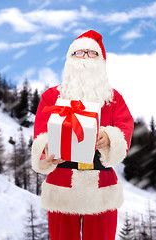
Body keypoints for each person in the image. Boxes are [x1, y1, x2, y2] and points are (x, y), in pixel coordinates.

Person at [31, 30, 134, 240]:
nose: (85, 58)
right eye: (79, 53)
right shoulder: (51, 96)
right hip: (61, 181)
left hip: (101, 182)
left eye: (91, 53)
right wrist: (46, 153)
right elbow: (40, 133)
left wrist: (110, 138)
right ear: (70, 59)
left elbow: (125, 130)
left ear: (100, 59)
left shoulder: (113, 100)